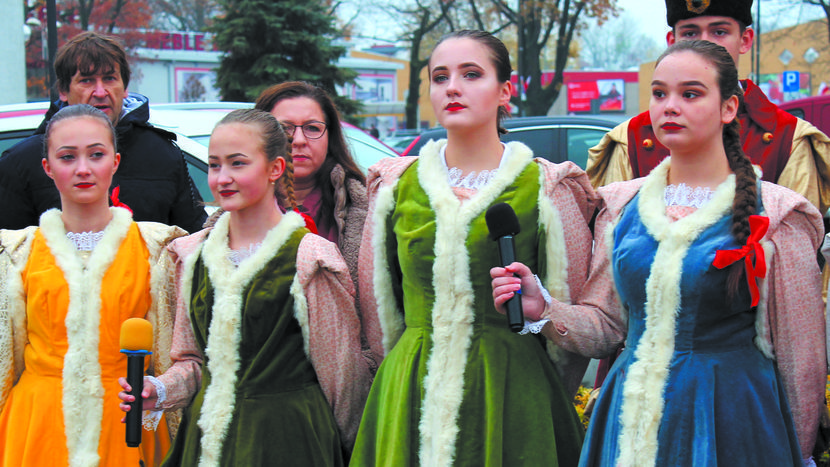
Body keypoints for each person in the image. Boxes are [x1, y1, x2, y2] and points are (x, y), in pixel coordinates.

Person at [493, 40, 826, 466]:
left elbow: (802, 363)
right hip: (627, 419)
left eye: (690, 94)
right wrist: (545, 308)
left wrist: (797, 454)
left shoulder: (778, 215)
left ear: (729, 108)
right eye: (659, 93)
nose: (670, 106)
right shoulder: (621, 207)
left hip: (730, 420)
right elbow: (608, 328)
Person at [350, 30, 600, 467]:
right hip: (410, 387)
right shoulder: (394, 187)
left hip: (513, 390)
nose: (452, 87)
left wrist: (540, 366)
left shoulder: (546, 187)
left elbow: (571, 313)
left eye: (471, 74)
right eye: (440, 77)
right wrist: (397, 377)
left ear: (505, 90)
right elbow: (378, 310)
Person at [118, 109, 372, 466]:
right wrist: (159, 390)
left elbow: (342, 378)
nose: (222, 178)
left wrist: (353, 450)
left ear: (275, 169)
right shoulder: (194, 254)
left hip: (288, 439)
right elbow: (192, 361)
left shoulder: (309, 258)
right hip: (208, 438)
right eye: (215, 165)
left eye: (238, 164)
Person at [0, 104, 186, 466]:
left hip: (126, 416)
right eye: (67, 157)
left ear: (115, 162)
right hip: (37, 424)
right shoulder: (16, 254)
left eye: (96, 155)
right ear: (47, 167)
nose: (83, 169)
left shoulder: (157, 249)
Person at [586, 0, 830, 217]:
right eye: (690, 33)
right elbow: (612, 247)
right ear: (672, 42)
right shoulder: (631, 138)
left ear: (745, 40)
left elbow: (792, 255)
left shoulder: (790, 139)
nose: (704, 43)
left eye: (720, 31)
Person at [0, 31, 207, 234]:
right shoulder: (21, 162)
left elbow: (193, 240)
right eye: (87, 80)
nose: (100, 92)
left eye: (109, 79)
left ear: (125, 87)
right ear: (63, 91)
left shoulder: (163, 154)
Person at [254, 82, 368, 288]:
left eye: (312, 128)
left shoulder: (366, 210)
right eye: (284, 128)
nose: (298, 140)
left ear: (330, 138)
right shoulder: (237, 211)